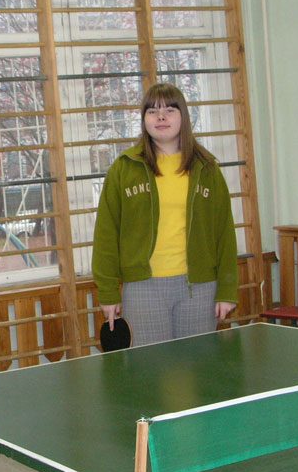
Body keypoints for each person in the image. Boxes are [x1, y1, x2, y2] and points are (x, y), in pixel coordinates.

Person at [92, 83, 238, 346]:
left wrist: (227, 290)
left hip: (199, 288)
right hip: (143, 289)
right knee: (151, 367)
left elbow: (224, 233)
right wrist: (108, 292)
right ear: (144, 119)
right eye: (152, 111)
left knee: (198, 367)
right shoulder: (124, 169)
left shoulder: (207, 169)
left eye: (170, 110)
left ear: (183, 117)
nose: (161, 117)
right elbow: (106, 234)